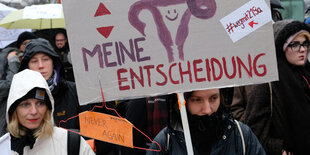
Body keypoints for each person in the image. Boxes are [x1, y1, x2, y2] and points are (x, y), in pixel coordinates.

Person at [245, 20, 310, 154]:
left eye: (305, 43)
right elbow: (254, 131)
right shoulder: (267, 81)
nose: (302, 49)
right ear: (282, 46)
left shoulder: (307, 73)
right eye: (295, 44)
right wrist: (279, 149)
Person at [147, 88, 265, 155]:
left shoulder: (242, 136)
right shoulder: (164, 143)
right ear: (182, 102)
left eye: (213, 98)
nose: (207, 110)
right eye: (197, 100)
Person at [5, 69, 94, 155]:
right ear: (14, 109)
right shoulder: (5, 149)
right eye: (25, 104)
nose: (34, 111)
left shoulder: (70, 141)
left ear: (48, 108)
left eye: (40, 103)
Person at [19, 38, 87, 130]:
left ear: (54, 62)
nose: (40, 66)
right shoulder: (19, 96)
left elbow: (89, 131)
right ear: (27, 66)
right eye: (34, 61)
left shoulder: (74, 91)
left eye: (45, 59)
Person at [0, 31, 37, 136]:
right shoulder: (9, 62)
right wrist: (13, 61)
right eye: (25, 43)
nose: (29, 46)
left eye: (32, 43)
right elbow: (9, 86)